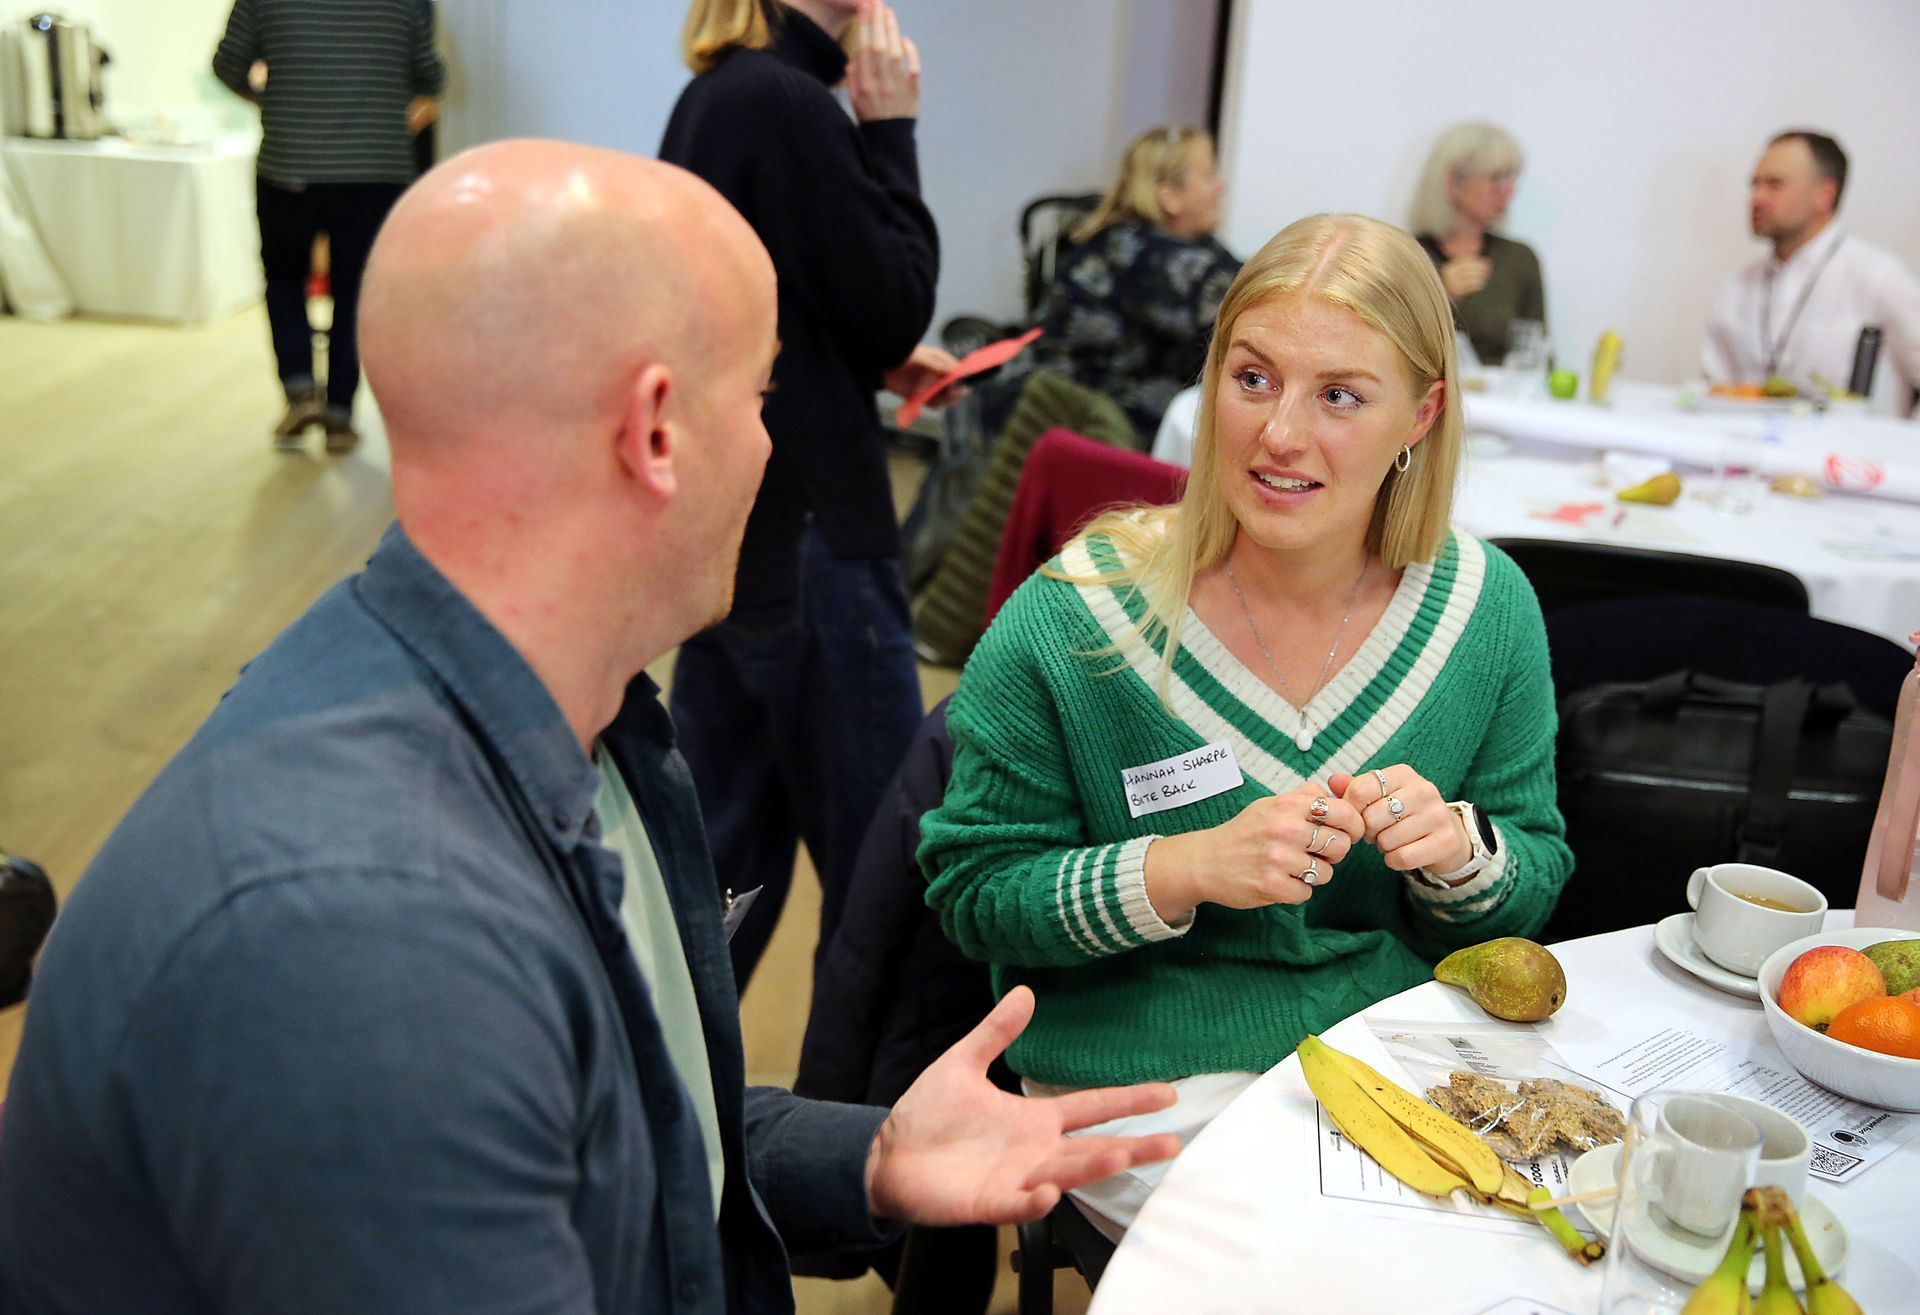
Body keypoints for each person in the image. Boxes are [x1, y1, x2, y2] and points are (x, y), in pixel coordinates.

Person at [0, 142, 1182, 1314]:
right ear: (656, 431)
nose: (772, 445)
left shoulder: (573, 715)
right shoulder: (372, 940)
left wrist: (868, 1157)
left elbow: (613, 1133)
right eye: (761, 395)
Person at [920, 213, 1574, 1241]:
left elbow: (1529, 878)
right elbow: (975, 895)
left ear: (1421, 414)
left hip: (1391, 1050)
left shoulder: (1486, 611)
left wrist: (1460, 854)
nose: (1279, 435)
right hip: (1144, 1067)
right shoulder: (1076, 619)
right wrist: (1181, 868)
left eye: (1340, 396)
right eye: (1254, 378)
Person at [660, 0, 956, 986]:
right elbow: (894, 302)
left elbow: (768, 308)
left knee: (717, 870)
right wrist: (891, 128)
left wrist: (856, 358)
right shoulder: (790, 103)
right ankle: (849, 1087)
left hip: (741, 534)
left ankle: (679, 1078)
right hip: (814, 538)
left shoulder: (723, 94)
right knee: (884, 874)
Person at [212, 0, 444, 453]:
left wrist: (269, 100)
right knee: (356, 291)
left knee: (285, 279)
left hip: (290, 163)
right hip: (375, 168)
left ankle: (300, 390)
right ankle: (339, 411)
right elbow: (430, 79)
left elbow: (227, 66)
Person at [987, 124, 1240, 445]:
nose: (1220, 186)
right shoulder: (1140, 251)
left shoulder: (1196, 245)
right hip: (1067, 406)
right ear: (1169, 196)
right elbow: (1250, 295)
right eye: (1208, 176)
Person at [1703, 130, 1920, 414]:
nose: (1756, 198)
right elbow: (1715, 393)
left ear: (1824, 195)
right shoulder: (1736, 288)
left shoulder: (1879, 278)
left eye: (1774, 184)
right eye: (1754, 184)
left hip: (1853, 442)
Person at [1408, 121, 1545, 367]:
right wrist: (1442, 297)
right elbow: (1395, 348)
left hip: (1506, 392)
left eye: (1511, 178)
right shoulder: (1408, 256)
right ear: (1454, 183)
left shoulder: (1520, 259)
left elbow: (1537, 352)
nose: (1510, 190)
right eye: (1497, 178)